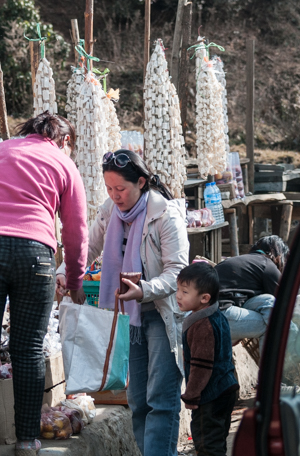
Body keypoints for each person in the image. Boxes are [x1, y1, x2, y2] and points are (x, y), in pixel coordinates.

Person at [0, 112, 89, 456]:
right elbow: (76, 231)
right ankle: (28, 440)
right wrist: (75, 279)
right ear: (64, 141)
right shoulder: (63, 164)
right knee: (28, 349)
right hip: (35, 253)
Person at [56, 149, 189, 456]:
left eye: (121, 189)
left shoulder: (164, 215)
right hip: (128, 317)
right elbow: (87, 248)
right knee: (139, 399)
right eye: (110, 189)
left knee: (161, 397)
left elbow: (178, 272)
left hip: (160, 313)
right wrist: (66, 273)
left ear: (141, 182)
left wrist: (144, 289)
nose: (115, 196)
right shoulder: (110, 212)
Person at [176, 262, 239, 456]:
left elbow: (201, 366)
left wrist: (191, 395)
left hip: (211, 394)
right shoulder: (216, 316)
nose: (178, 295)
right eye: (178, 289)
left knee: (207, 444)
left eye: (185, 292)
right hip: (226, 386)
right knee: (217, 440)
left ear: (204, 298)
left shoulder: (202, 325)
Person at [215, 235, 289, 345]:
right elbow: (285, 301)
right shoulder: (267, 266)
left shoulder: (246, 262)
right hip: (219, 317)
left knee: (268, 300)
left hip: (207, 315)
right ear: (278, 257)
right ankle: (273, 360)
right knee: (273, 326)